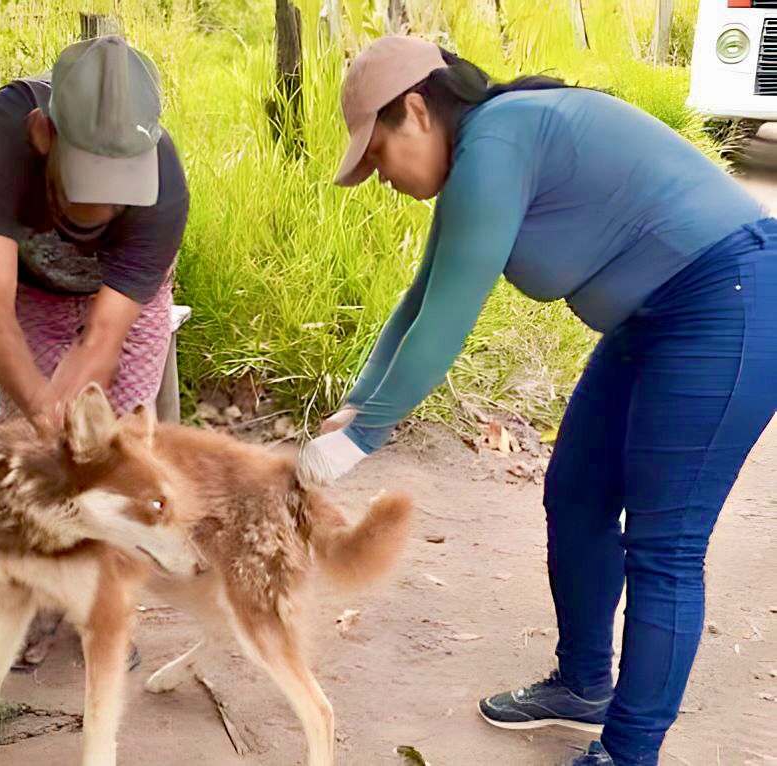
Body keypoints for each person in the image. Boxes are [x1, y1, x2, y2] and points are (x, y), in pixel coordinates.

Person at [297, 35, 777, 766]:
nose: (380, 175)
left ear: (417, 112)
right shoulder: (483, 156)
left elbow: (450, 320)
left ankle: (627, 752)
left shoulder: (496, 144)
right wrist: (359, 406)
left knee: (666, 546)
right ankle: (584, 686)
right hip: (652, 319)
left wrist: (358, 444)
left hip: (729, 301)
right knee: (577, 496)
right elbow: (420, 302)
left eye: (377, 151)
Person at [0, 35, 188, 669]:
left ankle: (107, 601)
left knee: (116, 454)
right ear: (43, 135)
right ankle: (45, 595)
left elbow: (104, 340)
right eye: (88, 184)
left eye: (118, 192)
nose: (102, 209)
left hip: (123, 304)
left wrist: (75, 425)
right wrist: (38, 405)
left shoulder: (164, 185)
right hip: (31, 290)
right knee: (38, 445)